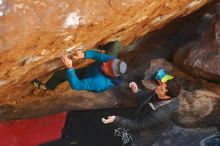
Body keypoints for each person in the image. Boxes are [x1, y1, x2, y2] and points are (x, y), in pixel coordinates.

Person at [102, 71, 181, 146]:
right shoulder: (158, 92)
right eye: (161, 85)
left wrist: (116, 119)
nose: (158, 87)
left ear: (167, 96)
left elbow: (137, 125)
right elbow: (147, 96)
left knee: (130, 141)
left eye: (161, 89)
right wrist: (137, 91)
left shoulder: (160, 114)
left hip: (142, 137)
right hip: (141, 118)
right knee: (124, 132)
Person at [32, 41, 127, 93]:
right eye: (108, 62)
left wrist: (70, 68)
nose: (104, 63)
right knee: (116, 44)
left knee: (59, 74)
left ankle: (47, 87)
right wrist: (83, 55)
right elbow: (96, 55)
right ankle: (102, 46)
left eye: (107, 66)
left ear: (111, 74)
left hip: (87, 75)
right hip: (94, 69)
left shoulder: (99, 82)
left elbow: (77, 86)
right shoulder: (110, 61)